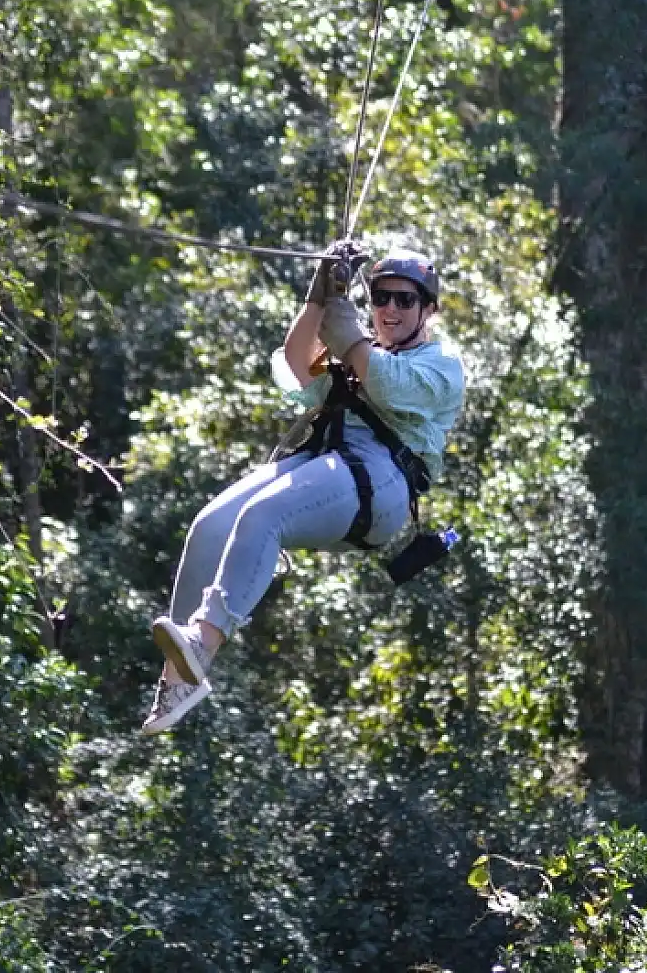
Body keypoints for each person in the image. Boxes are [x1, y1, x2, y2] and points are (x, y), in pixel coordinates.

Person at [140, 242, 465, 733]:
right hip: (327, 462)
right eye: (381, 297)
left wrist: (351, 338)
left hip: (383, 483)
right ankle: (176, 682)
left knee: (265, 512)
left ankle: (204, 642)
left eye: (405, 299)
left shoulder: (441, 365)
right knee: (211, 525)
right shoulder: (360, 355)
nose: (391, 309)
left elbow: (388, 386)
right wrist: (317, 298)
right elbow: (297, 365)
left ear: (428, 310)